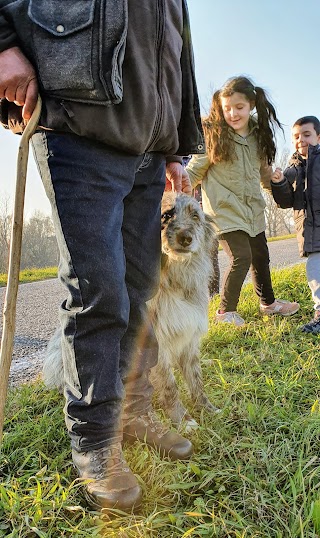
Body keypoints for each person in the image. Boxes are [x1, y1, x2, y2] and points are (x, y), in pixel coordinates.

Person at [0, 0, 205, 512]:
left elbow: (175, 47)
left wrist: (178, 145)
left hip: (150, 144)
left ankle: (133, 411)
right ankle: (95, 438)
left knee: (140, 292)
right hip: (78, 125)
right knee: (98, 290)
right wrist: (3, 42)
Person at [186, 76, 299, 326]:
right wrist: (175, 186)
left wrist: (277, 183)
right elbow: (194, 170)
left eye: (239, 107)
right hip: (223, 211)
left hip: (252, 211)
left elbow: (263, 175)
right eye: (227, 108)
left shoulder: (259, 137)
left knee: (261, 256)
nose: (233, 114)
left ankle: (268, 303)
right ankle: (226, 311)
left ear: (251, 104)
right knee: (241, 256)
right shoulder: (215, 135)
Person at [272, 116, 320, 334]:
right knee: (316, 274)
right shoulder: (292, 169)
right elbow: (285, 201)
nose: (300, 139)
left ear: (318, 137)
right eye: (296, 136)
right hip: (311, 234)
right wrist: (279, 182)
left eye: (306, 135)